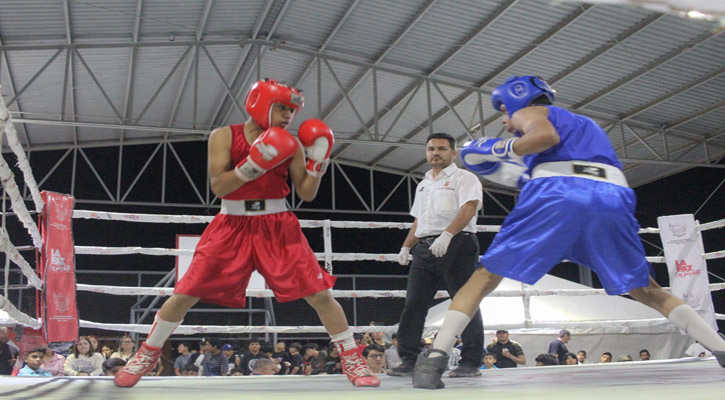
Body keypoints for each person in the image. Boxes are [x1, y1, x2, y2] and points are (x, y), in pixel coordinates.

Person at [412, 75, 725, 389]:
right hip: (611, 197)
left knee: (483, 278)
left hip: (558, 194)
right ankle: (720, 348)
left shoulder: (534, 114)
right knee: (647, 289)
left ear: (518, 100)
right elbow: (553, 163)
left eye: (505, 111)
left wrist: (501, 148)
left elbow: (544, 137)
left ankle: (435, 358)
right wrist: (510, 167)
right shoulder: (587, 126)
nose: (506, 121)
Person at [113, 79, 378, 388]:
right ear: (259, 103)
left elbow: (306, 194)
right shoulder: (224, 136)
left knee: (318, 293)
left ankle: (352, 359)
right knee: (185, 292)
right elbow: (219, 187)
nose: (287, 116)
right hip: (231, 225)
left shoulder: (289, 145)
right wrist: (254, 164)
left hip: (277, 224)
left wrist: (318, 162)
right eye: (281, 108)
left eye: (292, 111)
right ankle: (146, 355)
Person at [388, 132, 484, 379]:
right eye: (431, 149)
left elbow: (469, 208)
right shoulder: (423, 184)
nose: (435, 153)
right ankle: (410, 359)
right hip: (425, 248)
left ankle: (471, 362)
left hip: (458, 244)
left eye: (441, 148)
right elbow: (420, 220)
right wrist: (406, 246)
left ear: (453, 153)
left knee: (464, 302)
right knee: (413, 304)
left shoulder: (465, 178)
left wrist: (448, 235)